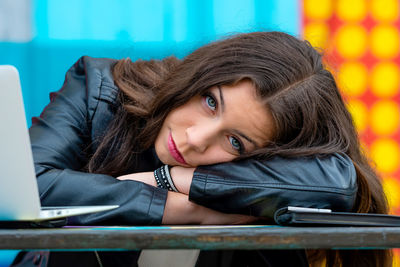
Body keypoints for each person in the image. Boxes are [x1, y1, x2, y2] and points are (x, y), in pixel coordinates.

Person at [18, 31, 389, 266]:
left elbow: (339, 185)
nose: (195, 139)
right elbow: (26, 187)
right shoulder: (99, 90)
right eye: (211, 101)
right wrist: (182, 207)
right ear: (202, 73)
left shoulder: (277, 172)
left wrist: (178, 180)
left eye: (235, 142)